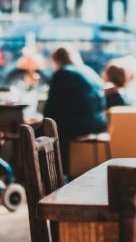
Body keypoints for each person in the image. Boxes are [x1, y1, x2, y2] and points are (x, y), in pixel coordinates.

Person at [42, 45, 107, 174]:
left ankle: (53, 174)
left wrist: (40, 121)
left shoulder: (62, 73)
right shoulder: (89, 71)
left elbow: (51, 108)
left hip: (79, 125)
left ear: (56, 60)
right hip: (99, 122)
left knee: (43, 132)